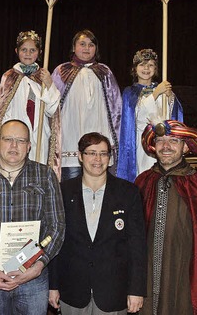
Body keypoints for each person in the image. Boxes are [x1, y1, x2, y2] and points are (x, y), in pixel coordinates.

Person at [0, 119, 65, 315]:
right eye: (8, 139)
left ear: (29, 146)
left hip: (33, 276)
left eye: (21, 140)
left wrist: (40, 264)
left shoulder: (45, 176)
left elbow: (57, 225)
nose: (14, 145)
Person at [49, 132, 146, 314]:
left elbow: (137, 246)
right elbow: (56, 244)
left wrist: (136, 290)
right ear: (80, 156)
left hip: (114, 293)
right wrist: (52, 286)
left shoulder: (128, 193)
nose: (97, 159)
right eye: (91, 153)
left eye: (103, 153)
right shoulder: (62, 192)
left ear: (110, 158)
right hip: (72, 291)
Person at [135, 120, 197, 315]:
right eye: (160, 140)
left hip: (183, 272)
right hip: (146, 271)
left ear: (185, 147)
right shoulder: (143, 181)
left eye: (174, 141)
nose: (166, 146)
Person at [52, 29, 121, 181]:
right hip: (71, 135)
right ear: (73, 47)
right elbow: (51, 104)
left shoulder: (104, 72)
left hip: (98, 130)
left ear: (96, 49)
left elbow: (116, 107)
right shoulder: (62, 71)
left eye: (91, 45)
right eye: (82, 44)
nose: (86, 48)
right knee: (71, 188)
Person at [0, 30, 61, 177]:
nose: (28, 53)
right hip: (17, 136)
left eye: (32, 50)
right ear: (17, 51)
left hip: (39, 134)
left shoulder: (43, 76)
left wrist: (49, 84)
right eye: (24, 50)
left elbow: (52, 109)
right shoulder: (9, 76)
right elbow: (2, 111)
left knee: (38, 171)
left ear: (39, 52)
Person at [117, 49, 183, 182]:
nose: (146, 68)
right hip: (141, 142)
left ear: (156, 69)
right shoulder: (130, 92)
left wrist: (170, 98)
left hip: (161, 140)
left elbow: (172, 115)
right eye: (142, 65)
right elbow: (138, 116)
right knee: (144, 176)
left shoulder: (162, 88)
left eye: (150, 65)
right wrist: (155, 94)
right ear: (135, 69)